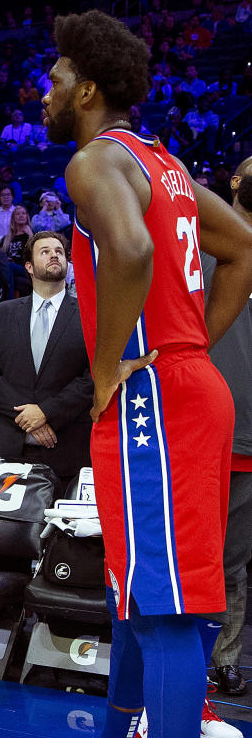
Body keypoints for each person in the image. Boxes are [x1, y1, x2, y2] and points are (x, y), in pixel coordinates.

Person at [43, 10, 252, 738]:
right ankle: (121, 726)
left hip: (150, 397)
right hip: (188, 384)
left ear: (87, 88)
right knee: (139, 590)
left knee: (164, 607)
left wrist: (106, 368)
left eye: (56, 78)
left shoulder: (95, 160)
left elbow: (129, 254)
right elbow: (245, 247)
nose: (46, 90)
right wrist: (190, 338)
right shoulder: (162, 162)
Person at [0, 231, 92, 486]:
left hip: (67, 446)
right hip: (7, 447)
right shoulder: (2, 313)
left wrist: (46, 412)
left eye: (59, 251)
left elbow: (92, 377)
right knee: (4, 527)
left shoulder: (89, 315)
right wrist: (30, 418)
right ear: (28, 266)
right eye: (45, 251)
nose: (54, 255)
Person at [204, 156, 252, 698]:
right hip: (201, 429)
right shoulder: (202, 245)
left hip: (249, 438)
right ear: (233, 181)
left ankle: (224, 658)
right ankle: (184, 654)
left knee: (233, 561)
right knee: (190, 551)